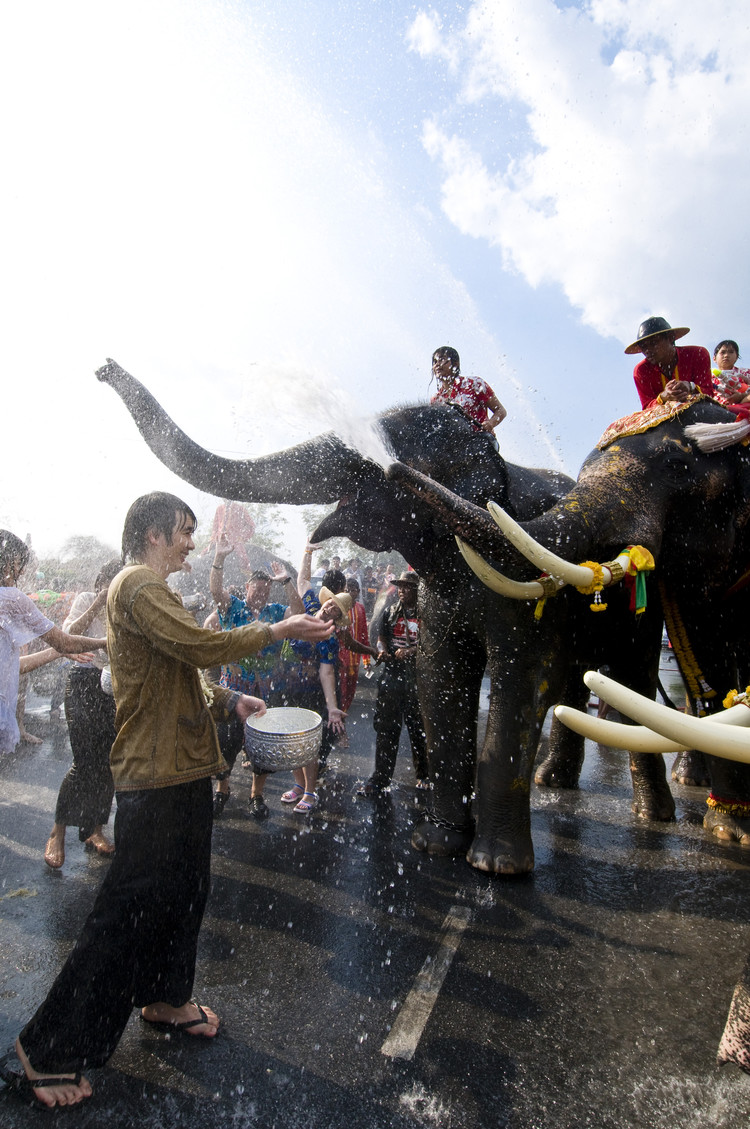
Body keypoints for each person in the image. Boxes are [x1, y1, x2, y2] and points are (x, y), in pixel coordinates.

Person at [2, 492, 333, 1109]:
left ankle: (165, 998)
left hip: (182, 771)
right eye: (183, 531)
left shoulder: (153, 594)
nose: (190, 541)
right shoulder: (136, 585)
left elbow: (183, 668)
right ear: (154, 533)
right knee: (127, 908)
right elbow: (201, 647)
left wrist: (229, 702)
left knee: (185, 891)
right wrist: (279, 628)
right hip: (152, 776)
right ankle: (47, 1047)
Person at [209, 536, 302, 818]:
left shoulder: (275, 612)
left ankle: (256, 795)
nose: (260, 594)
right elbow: (215, 591)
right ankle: (222, 789)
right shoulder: (233, 608)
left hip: (264, 693)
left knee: (260, 748)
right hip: (233, 691)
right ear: (247, 587)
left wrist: (287, 582)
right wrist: (220, 559)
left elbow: (299, 614)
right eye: (256, 589)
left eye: (265, 590)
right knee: (226, 742)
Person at [43, 559, 123, 869]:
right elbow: (68, 634)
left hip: (114, 688)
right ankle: (58, 831)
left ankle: (95, 830)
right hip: (84, 683)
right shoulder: (87, 600)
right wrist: (97, 605)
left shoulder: (126, 608)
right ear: (104, 582)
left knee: (109, 764)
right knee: (84, 762)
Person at [0, 532, 108, 757]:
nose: (19, 574)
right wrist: (105, 642)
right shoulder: (11, 598)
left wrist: (58, 652)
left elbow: (15, 666)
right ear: (7, 563)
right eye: (19, 564)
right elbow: (65, 640)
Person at [358, 571, 428, 797]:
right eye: (400, 586)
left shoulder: (427, 615)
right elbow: (381, 639)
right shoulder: (390, 612)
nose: (401, 590)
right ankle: (380, 777)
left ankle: (424, 775)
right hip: (392, 678)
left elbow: (431, 647)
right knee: (386, 729)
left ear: (417, 590)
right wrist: (382, 652)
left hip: (417, 680)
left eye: (407, 586)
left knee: (419, 730)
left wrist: (410, 651)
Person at [626, 316, 716, 408]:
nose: (648, 350)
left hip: (699, 410)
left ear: (670, 338)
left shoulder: (698, 354)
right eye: (644, 347)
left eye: (653, 343)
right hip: (665, 419)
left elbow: (709, 395)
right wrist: (663, 397)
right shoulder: (641, 370)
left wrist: (691, 387)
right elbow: (646, 408)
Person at [430, 346, 507, 437]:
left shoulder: (474, 384)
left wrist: (490, 423)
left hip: (481, 439)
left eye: (442, 360)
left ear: (455, 364)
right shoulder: (436, 400)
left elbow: (501, 410)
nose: (437, 364)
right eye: (435, 362)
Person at [336, 578, 376, 748]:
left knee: (349, 696)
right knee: (341, 696)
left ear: (358, 592)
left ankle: (338, 728)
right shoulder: (338, 609)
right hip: (339, 663)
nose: (352, 592)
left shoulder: (360, 609)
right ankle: (340, 732)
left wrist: (367, 661)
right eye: (348, 589)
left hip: (354, 663)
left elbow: (363, 637)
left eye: (355, 590)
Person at [711, 339, 750, 406]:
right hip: (714, 411)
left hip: (743, 409)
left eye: (731, 352)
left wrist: (742, 396)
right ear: (714, 358)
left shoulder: (746, 373)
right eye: (722, 352)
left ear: (736, 357)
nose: (726, 355)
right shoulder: (707, 377)